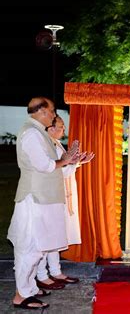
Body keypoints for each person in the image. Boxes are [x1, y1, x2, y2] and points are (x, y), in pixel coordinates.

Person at [7, 97, 81, 310]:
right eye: (51, 111)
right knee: (31, 249)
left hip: (44, 198)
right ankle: (21, 295)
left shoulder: (39, 132)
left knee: (36, 248)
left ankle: (28, 290)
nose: (53, 114)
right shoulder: (31, 133)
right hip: (35, 199)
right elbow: (44, 165)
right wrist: (65, 160)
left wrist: (67, 160)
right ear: (40, 111)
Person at [35, 116, 94, 290]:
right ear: (50, 128)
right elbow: (52, 171)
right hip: (50, 197)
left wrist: (76, 162)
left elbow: (64, 168)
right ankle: (41, 275)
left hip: (60, 195)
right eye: (61, 126)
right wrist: (71, 162)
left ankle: (55, 271)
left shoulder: (56, 143)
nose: (64, 130)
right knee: (46, 237)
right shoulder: (45, 145)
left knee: (56, 235)